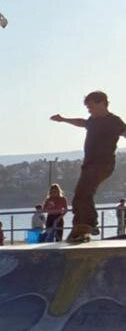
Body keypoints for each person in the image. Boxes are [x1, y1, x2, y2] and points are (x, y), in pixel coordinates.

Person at [50, 90, 126, 243]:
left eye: (91, 106)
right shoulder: (92, 120)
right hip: (89, 164)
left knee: (83, 192)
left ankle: (86, 225)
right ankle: (86, 226)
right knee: (81, 194)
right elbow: (82, 122)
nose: (89, 110)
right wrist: (63, 119)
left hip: (103, 164)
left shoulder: (114, 121)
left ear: (102, 103)